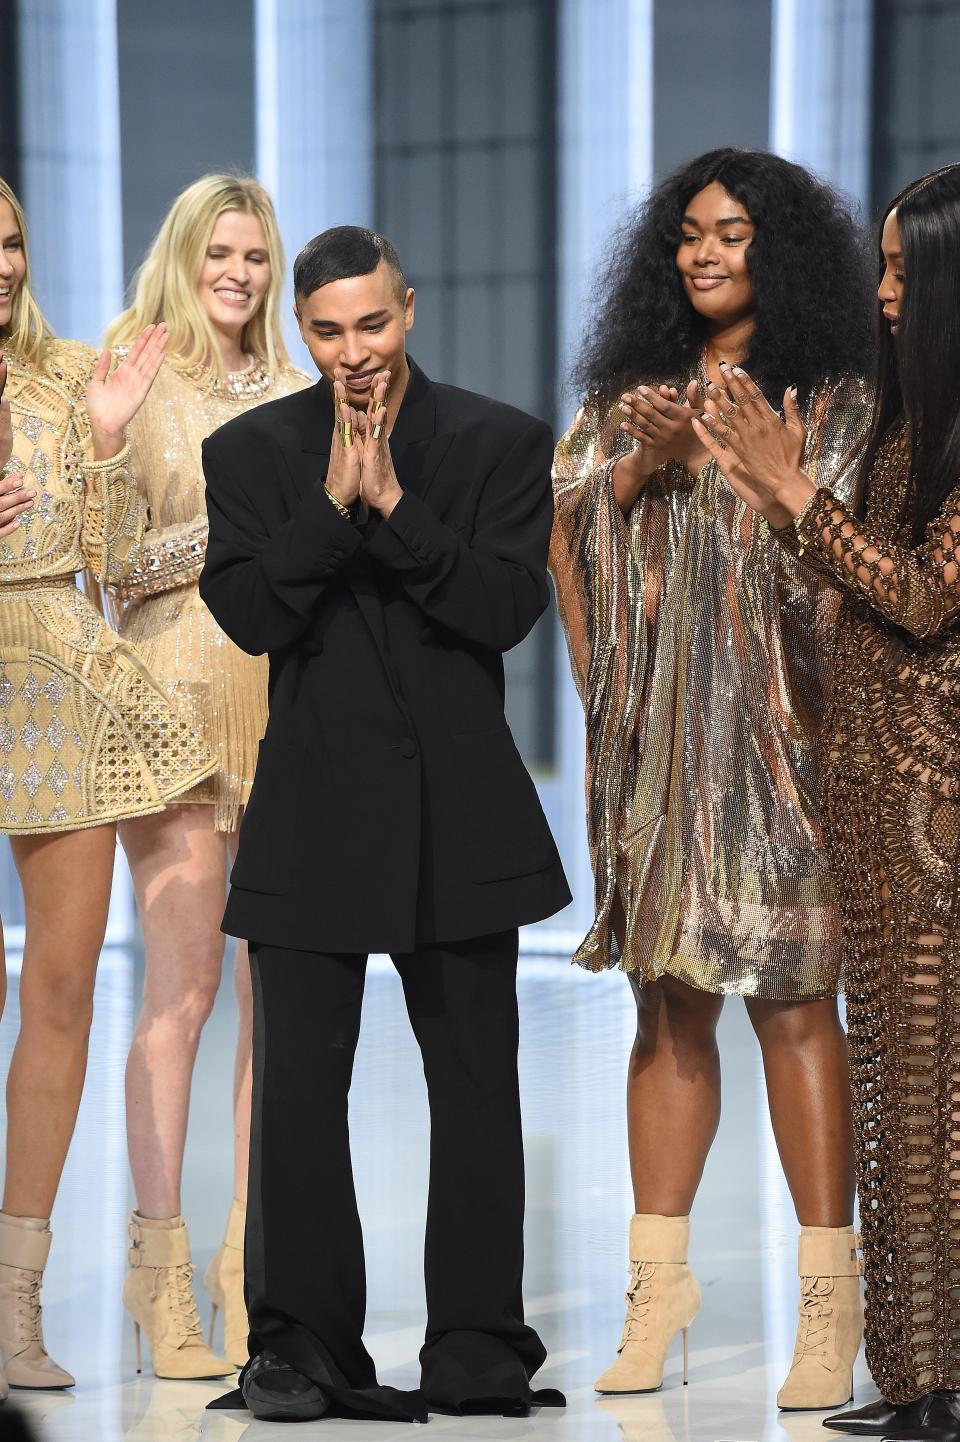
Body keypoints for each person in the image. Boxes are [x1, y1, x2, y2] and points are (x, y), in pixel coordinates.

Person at [197, 225, 571, 1423]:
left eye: (373, 322)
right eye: (326, 330)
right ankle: (302, 1343)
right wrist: (329, 511)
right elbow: (252, 614)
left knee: (475, 1086)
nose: (353, 352)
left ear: (409, 308)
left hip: (459, 806)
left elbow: (507, 607)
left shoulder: (498, 440)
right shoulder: (250, 452)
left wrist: (397, 506)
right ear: (299, 331)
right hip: (311, 805)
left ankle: (474, 1344)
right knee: (300, 1091)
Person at [550, 148, 875, 1408]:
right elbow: (569, 532)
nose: (702, 253)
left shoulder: (838, 396)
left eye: (731, 233)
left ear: (776, 250)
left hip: (784, 757)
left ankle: (827, 1301)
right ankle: (659, 1284)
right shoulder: (636, 395)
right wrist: (641, 470)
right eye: (687, 233)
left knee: (794, 1006)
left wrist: (740, 469)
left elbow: (842, 564)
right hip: (661, 758)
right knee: (667, 1008)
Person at [691, 161, 960, 1442]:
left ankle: (936, 1379)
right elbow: (858, 577)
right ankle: (917, 1376)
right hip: (871, 808)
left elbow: (917, 594)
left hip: (934, 814)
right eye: (886, 267)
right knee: (901, 1101)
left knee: (933, 1106)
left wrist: (796, 495)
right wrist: (783, 499)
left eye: (910, 270)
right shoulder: (917, 424)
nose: (887, 292)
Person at [0, 176, 215, 1393]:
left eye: (14, 243)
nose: (4, 266)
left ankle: (17, 1313)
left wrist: (102, 437)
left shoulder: (68, 371)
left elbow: (112, 556)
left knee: (65, 996)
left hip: (53, 680)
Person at [103, 174, 311, 1379]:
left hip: (283, 716)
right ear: (185, 253)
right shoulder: (132, 381)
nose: (237, 271)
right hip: (169, 714)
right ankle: (159, 1270)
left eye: (254, 253)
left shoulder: (296, 389)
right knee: (179, 1003)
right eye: (219, 249)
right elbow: (114, 566)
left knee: (273, 1017)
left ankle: (252, 1272)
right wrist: (231, 534)